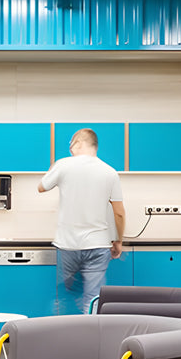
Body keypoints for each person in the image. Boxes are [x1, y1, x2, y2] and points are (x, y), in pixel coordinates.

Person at [37, 127, 125, 314]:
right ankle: (90, 339)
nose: (70, 149)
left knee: (66, 294)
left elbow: (41, 187)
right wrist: (118, 241)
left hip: (68, 244)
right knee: (92, 298)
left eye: (71, 145)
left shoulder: (63, 164)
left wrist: (56, 166)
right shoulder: (110, 172)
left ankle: (64, 335)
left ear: (78, 143)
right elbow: (119, 213)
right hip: (98, 244)